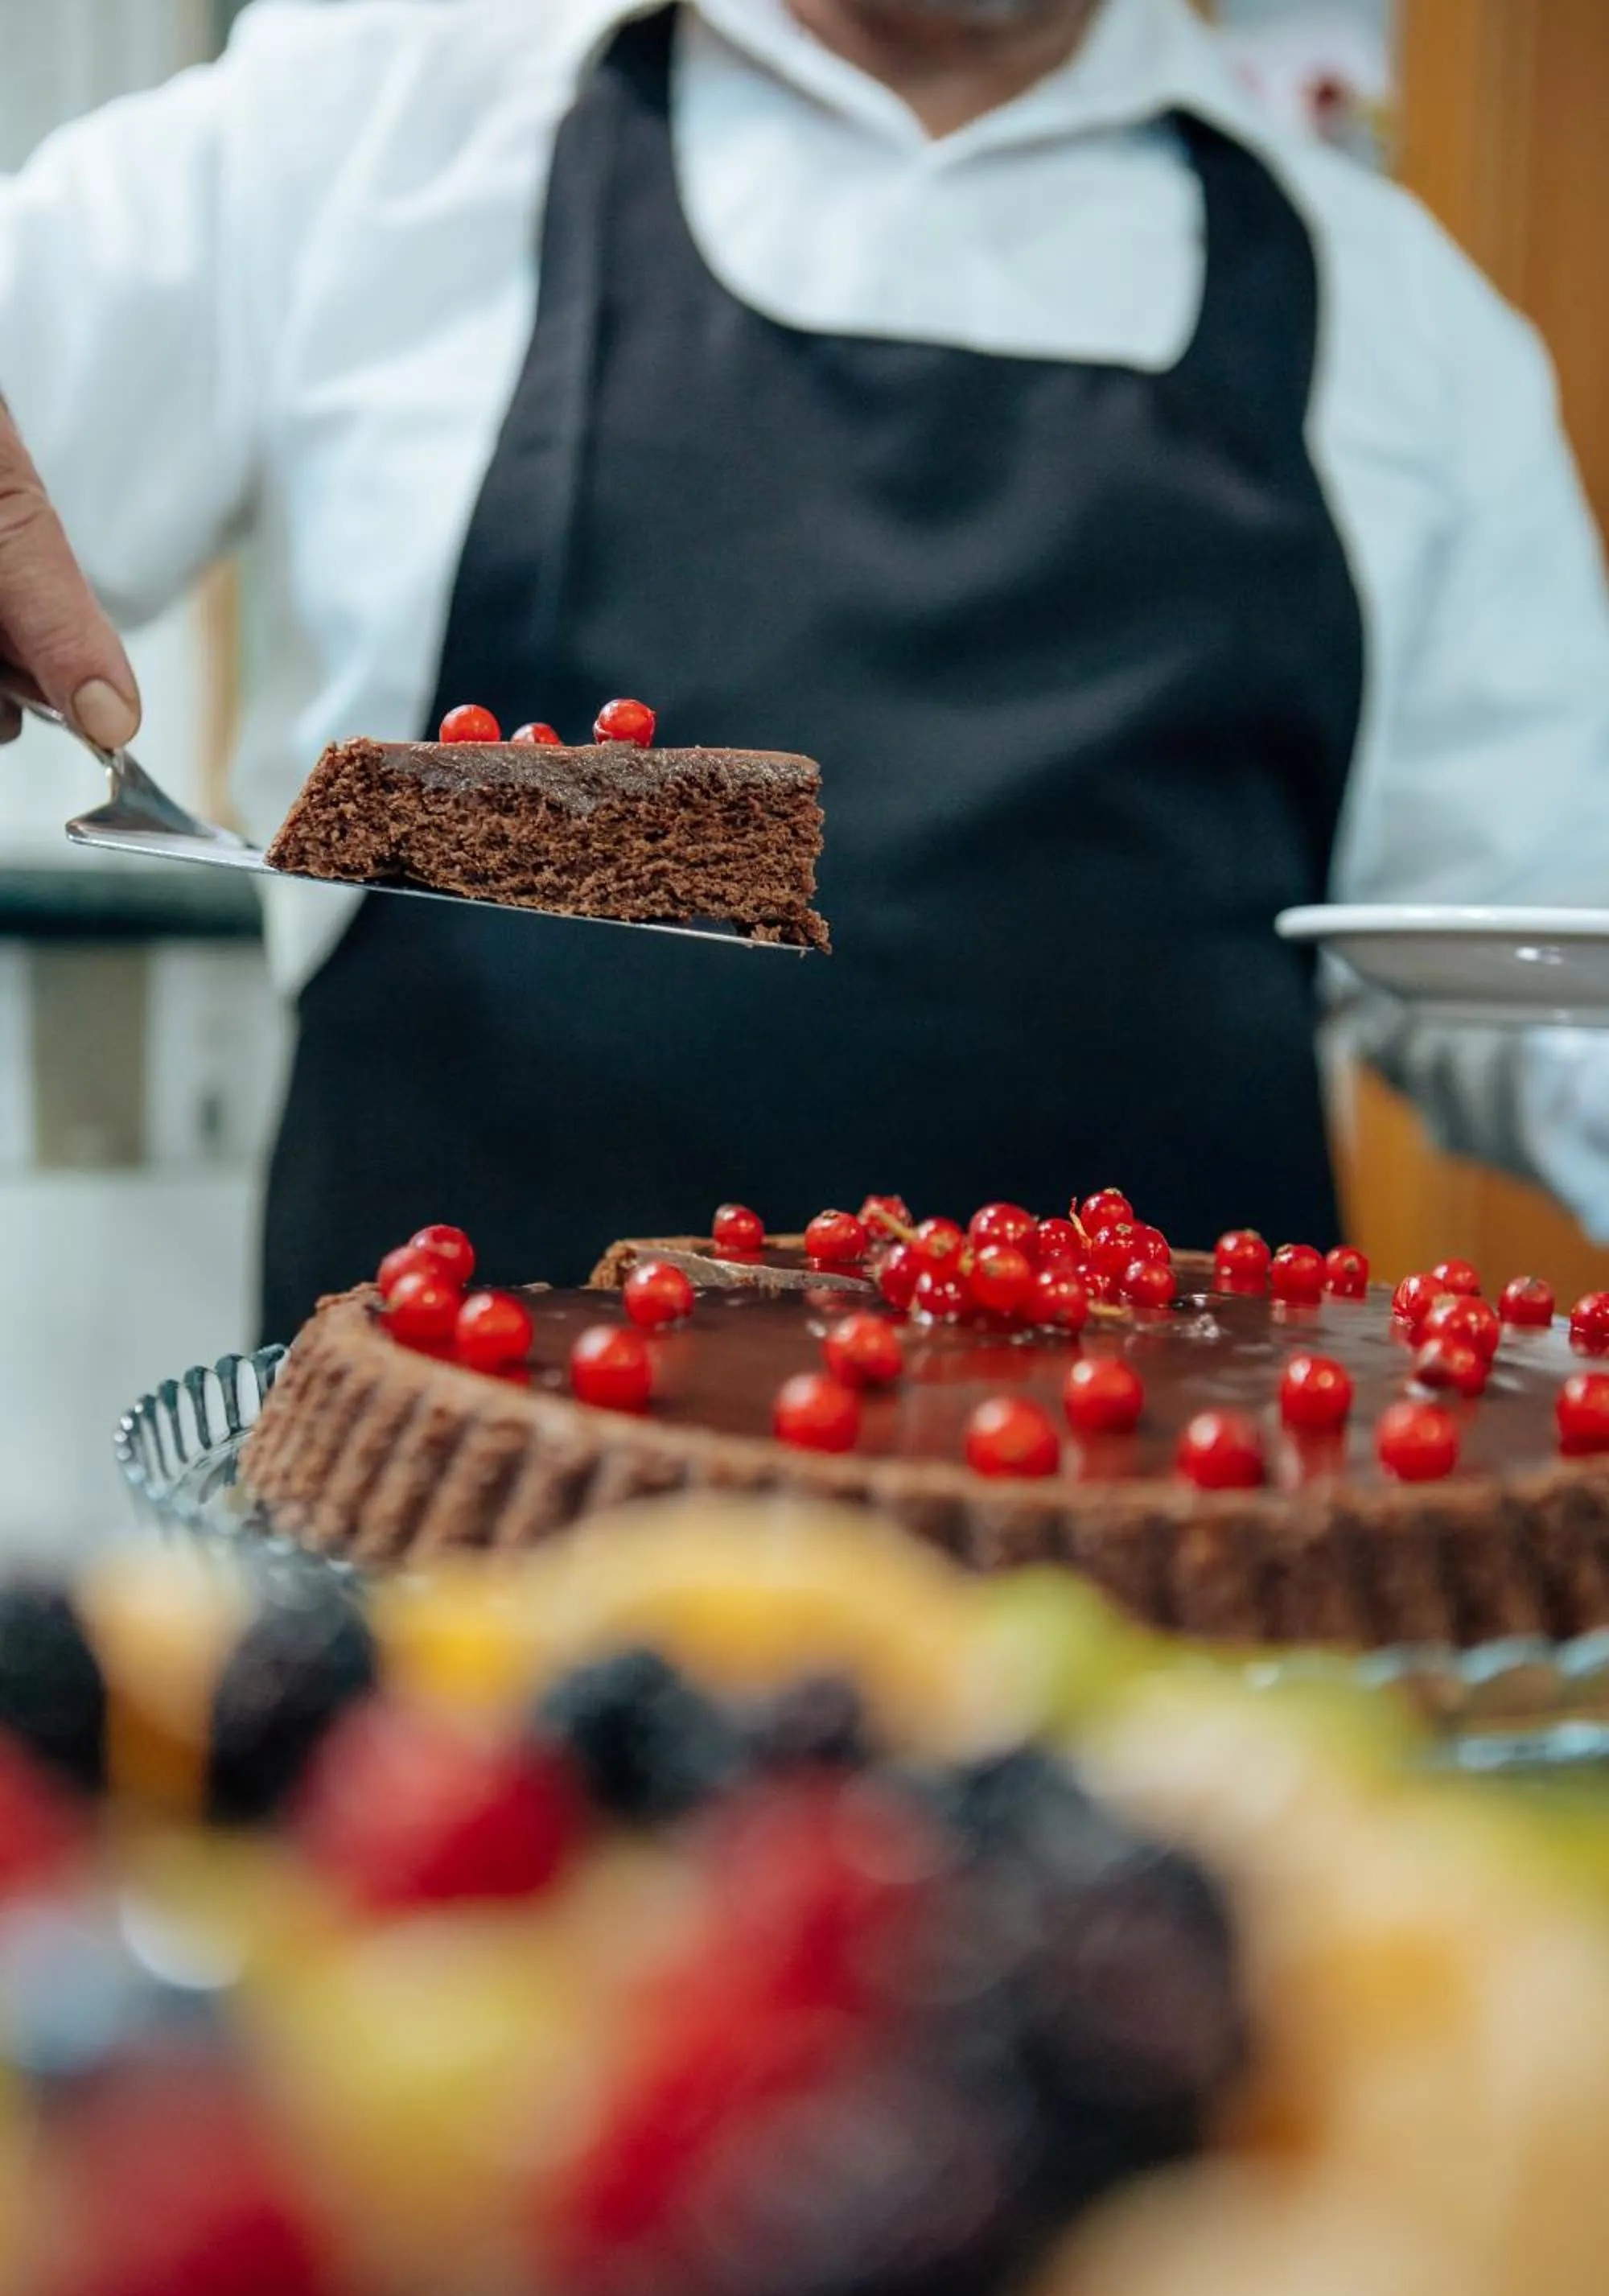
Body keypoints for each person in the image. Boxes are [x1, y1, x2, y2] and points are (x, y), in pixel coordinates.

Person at [2, 0, 1607, 1339]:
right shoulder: (361, 126)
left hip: (1177, 1551)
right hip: (448, 1541)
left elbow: (1542, 969)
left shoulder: (1409, 320)